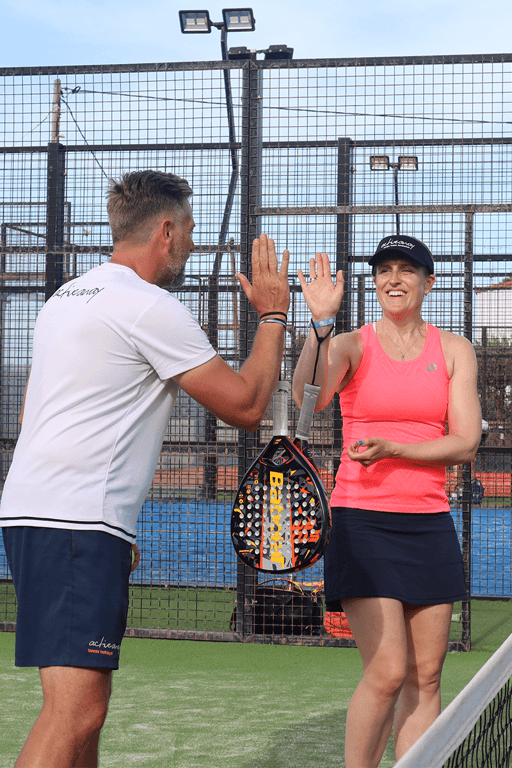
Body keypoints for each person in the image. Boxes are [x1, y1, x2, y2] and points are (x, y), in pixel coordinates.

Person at [0, 170, 290, 768]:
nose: (189, 242)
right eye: (187, 230)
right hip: (73, 523)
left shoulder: (66, 298)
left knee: (84, 705)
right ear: (164, 230)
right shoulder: (148, 306)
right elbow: (245, 405)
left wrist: (109, 523)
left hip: (44, 514)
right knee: (74, 712)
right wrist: (273, 316)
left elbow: (35, 410)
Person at [292, 234, 481, 768]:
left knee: (427, 676)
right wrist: (320, 328)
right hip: (362, 522)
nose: (393, 278)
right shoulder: (352, 343)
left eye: (406, 269)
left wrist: (397, 447)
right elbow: (309, 398)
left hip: (429, 523)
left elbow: (465, 442)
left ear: (428, 282)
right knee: (388, 671)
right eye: (384, 270)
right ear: (373, 282)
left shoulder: (454, 349)